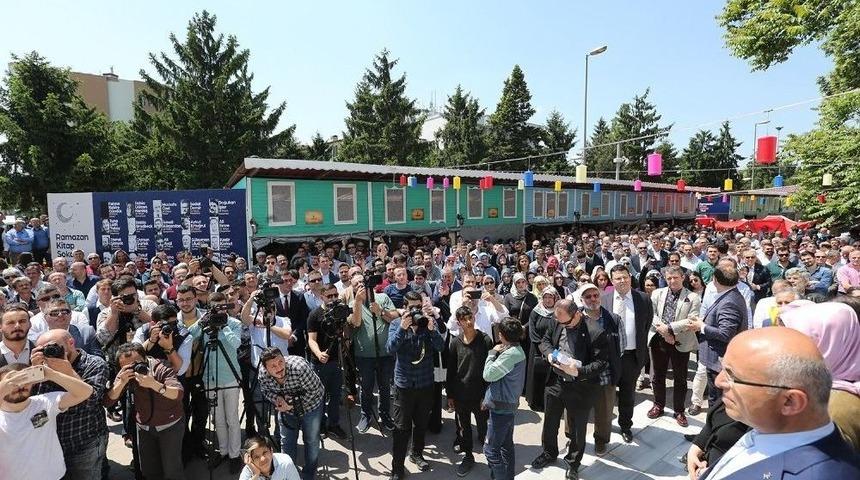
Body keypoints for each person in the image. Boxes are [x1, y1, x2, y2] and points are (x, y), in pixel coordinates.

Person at [693, 328, 860, 479]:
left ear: (790, 402)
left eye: (732, 375)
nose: (719, 381)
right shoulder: (770, 427)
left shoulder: (819, 474)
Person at [532, 299, 609, 479]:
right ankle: (549, 452)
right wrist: (549, 354)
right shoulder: (558, 320)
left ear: (577, 315)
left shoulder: (595, 331)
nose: (561, 325)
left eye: (565, 323)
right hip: (556, 381)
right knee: (550, 421)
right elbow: (545, 341)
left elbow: (601, 363)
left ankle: (573, 463)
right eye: (558, 321)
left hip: (580, 387)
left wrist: (578, 371)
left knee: (577, 429)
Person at [32, 328, 109, 480]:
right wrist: (33, 372)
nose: (50, 352)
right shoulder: (42, 367)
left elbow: (91, 400)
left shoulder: (94, 364)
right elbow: (30, 402)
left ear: (71, 343)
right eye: (43, 349)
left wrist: (68, 372)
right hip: (51, 444)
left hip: (83, 441)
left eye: (53, 346)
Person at [781, 302, 860, 451]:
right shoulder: (817, 389)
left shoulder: (832, 409)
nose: (785, 350)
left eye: (798, 342)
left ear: (829, 344)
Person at [0, 360, 94, 480]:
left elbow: (86, 392)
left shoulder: (44, 402)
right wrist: (3, 389)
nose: (19, 385)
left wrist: (52, 374)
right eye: (12, 383)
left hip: (56, 476)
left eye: (24, 379)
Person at [386, 291, 445, 480]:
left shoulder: (426, 323)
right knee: (401, 428)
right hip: (404, 385)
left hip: (425, 383)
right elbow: (390, 349)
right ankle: (397, 467)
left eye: (418, 307)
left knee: (421, 424)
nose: (415, 311)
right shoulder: (396, 324)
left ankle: (417, 454)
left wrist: (432, 329)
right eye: (411, 307)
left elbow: (440, 347)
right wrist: (402, 328)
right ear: (404, 308)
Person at [105, 343, 185, 480]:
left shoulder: (161, 367)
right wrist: (121, 382)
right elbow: (108, 401)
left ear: (145, 358)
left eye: (137, 364)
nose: (134, 369)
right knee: (149, 470)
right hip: (144, 427)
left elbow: (178, 394)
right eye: (128, 367)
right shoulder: (124, 374)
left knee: (172, 470)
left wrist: (154, 384)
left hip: (169, 425)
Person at [188, 291, 244, 472]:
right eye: (214, 308)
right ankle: (223, 451)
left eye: (221, 307)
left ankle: (235, 455)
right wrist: (202, 321)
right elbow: (189, 336)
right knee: (218, 419)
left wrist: (223, 326)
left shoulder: (234, 323)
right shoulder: (206, 323)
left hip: (230, 376)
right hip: (210, 378)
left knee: (232, 418)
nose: (218, 311)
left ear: (226, 306)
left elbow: (236, 344)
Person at [601, 264, 652, 443]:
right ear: (612, 281)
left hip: (631, 356)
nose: (622, 281)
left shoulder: (643, 299)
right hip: (609, 357)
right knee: (606, 395)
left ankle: (625, 426)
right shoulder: (604, 299)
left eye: (625, 277)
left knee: (627, 394)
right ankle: (603, 428)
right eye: (618, 278)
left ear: (630, 277)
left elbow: (646, 325)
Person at [258, 347, 324, 480]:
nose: (279, 368)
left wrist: (292, 404)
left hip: (311, 406)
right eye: (273, 366)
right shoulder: (262, 375)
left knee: (311, 440)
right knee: (286, 442)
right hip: (285, 410)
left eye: (280, 362)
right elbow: (266, 391)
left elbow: (315, 390)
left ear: (284, 358)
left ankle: (309, 474)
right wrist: (277, 399)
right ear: (266, 369)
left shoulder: (300, 367)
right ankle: (288, 473)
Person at [687, 261, 747, 406]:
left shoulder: (729, 302)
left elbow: (725, 333)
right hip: (716, 360)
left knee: (717, 402)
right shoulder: (729, 295)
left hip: (718, 361)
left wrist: (701, 326)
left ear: (715, 280)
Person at [571, 283, 621, 456]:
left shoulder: (613, 319)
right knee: (575, 410)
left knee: (604, 412)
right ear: (581, 299)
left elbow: (620, 347)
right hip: (581, 374)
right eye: (588, 296)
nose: (593, 299)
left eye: (595, 295)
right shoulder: (574, 318)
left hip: (605, 374)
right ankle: (574, 439)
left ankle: (601, 440)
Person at [648, 266, 701, 427]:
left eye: (675, 278)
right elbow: (652, 314)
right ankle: (658, 405)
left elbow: (692, 319)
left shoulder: (692, 297)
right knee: (658, 375)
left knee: (680, 378)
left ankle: (679, 410)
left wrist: (670, 328)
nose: (672, 281)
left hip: (681, 341)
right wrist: (664, 332)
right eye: (669, 278)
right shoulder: (657, 293)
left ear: (682, 277)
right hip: (659, 339)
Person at [348, 272, 398, 433]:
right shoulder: (352, 304)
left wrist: (381, 311)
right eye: (356, 284)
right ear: (353, 289)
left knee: (385, 387)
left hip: (385, 353)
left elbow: (395, 317)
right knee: (366, 387)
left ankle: (385, 414)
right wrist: (358, 302)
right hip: (364, 356)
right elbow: (355, 323)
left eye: (362, 282)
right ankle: (366, 415)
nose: (360, 285)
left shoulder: (382, 298)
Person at [446, 306, 494, 476]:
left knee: (484, 428)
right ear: (459, 323)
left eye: (470, 318)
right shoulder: (455, 343)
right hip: (460, 395)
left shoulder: (485, 340)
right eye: (464, 319)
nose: (468, 322)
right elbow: (451, 371)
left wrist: (487, 395)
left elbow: (491, 370)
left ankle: (492, 459)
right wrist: (450, 395)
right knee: (464, 428)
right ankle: (468, 456)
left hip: (480, 395)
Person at [482, 317, 527, 480]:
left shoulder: (510, 355)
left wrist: (492, 353)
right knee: (506, 447)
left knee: (490, 450)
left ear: (501, 335)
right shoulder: (516, 350)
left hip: (501, 409)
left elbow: (488, 375)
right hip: (507, 406)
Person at [306, 282, 348, 440]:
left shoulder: (340, 312)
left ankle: (334, 424)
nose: (333, 299)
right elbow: (311, 339)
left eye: (335, 295)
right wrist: (318, 354)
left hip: (336, 360)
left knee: (336, 395)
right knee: (320, 397)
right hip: (319, 362)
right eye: (329, 296)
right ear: (322, 296)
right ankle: (321, 425)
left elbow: (344, 333)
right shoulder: (315, 314)